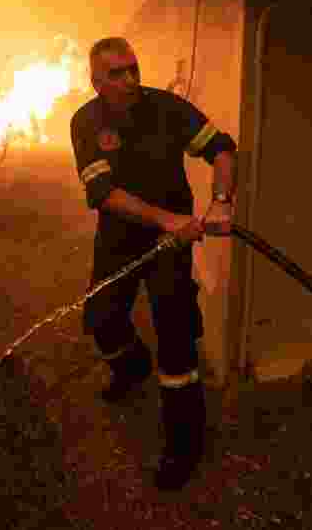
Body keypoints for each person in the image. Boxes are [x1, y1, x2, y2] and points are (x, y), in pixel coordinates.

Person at [69, 36, 237, 491]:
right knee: (101, 319)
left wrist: (221, 201)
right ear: (96, 82)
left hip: (172, 247)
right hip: (120, 238)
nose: (130, 79)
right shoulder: (85, 122)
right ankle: (130, 368)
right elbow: (103, 194)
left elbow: (221, 148)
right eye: (117, 73)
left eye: (134, 69)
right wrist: (167, 220)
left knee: (175, 332)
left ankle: (185, 442)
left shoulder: (167, 108)